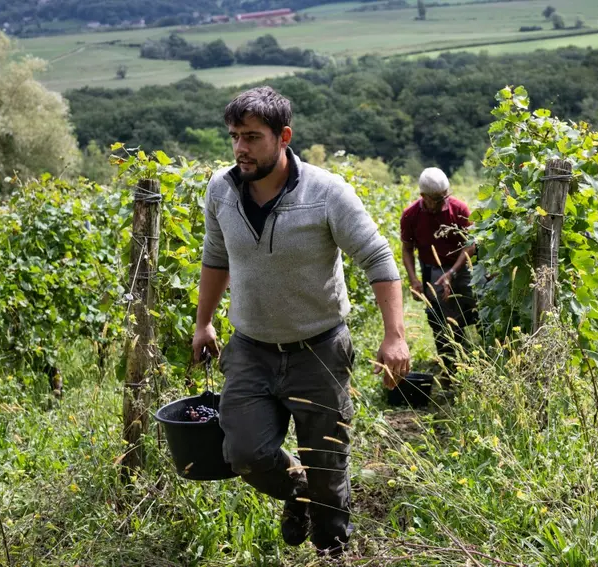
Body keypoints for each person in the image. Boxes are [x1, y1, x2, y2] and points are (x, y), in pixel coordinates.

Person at [191, 86, 410, 557]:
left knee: (329, 469)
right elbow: (215, 257)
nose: (240, 148)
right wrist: (203, 322)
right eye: (234, 136)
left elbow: (378, 256)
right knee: (245, 455)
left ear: (283, 136)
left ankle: (331, 549)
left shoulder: (326, 193)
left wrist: (395, 336)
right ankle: (297, 490)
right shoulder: (221, 190)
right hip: (249, 348)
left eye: (252, 136)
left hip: (319, 351)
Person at [400, 168, 477, 383]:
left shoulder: (459, 209)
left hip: (461, 265)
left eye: (445, 196)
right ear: (423, 196)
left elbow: (470, 245)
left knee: (470, 306)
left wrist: (452, 273)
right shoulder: (411, 215)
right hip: (432, 268)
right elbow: (407, 248)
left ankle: (475, 354)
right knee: (438, 316)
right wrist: (414, 279)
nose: (443, 202)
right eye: (436, 199)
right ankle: (450, 366)